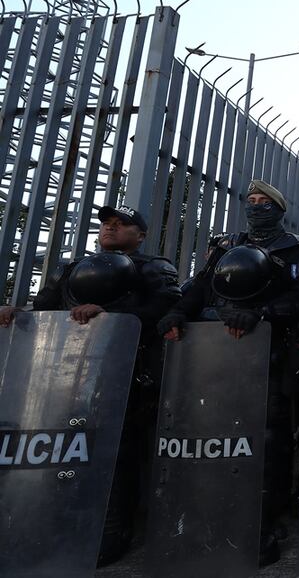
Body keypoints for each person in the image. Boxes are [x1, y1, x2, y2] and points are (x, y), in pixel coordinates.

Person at [0, 205, 181, 566]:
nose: (111, 229)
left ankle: (112, 531)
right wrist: (17, 314)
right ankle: (49, 520)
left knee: (117, 453)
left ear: (140, 235)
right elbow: (46, 309)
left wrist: (112, 316)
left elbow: (164, 307)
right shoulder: (75, 268)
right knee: (61, 450)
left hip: (126, 372)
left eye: (122, 225)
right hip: (66, 375)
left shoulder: (153, 268)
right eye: (107, 225)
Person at [156, 180, 299, 566]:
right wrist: (179, 310)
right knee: (215, 433)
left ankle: (267, 517)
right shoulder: (226, 246)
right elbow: (201, 286)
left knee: (269, 437)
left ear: (280, 210)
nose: (257, 206)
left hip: (270, 351)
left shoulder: (297, 250)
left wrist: (262, 314)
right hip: (216, 353)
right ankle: (211, 511)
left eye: (266, 202)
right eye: (252, 201)